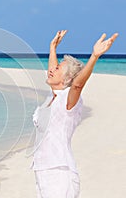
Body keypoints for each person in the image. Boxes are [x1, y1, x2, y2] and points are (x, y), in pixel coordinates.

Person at [30, 30, 118, 198]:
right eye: (54, 68)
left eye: (57, 69)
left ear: (66, 79)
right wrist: (52, 49)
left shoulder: (68, 101)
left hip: (59, 173)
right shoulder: (52, 97)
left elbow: (77, 85)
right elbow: (53, 74)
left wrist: (94, 56)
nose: (52, 70)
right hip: (43, 171)